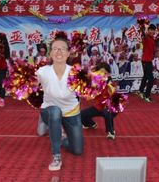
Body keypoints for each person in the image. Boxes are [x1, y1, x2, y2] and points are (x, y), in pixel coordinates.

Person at [36, 35, 83, 171]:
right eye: (55, 49)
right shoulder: (42, 71)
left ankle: (60, 137)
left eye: (62, 49)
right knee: (55, 111)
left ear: (68, 53)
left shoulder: (75, 72)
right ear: (50, 53)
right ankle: (56, 156)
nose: (59, 52)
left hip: (71, 112)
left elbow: (86, 90)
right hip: (50, 110)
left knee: (77, 150)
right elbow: (30, 83)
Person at [81, 62, 118, 140]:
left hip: (108, 107)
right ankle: (91, 124)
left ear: (108, 73)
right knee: (81, 115)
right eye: (100, 72)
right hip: (97, 107)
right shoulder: (96, 81)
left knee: (107, 114)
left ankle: (111, 132)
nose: (102, 74)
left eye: (104, 72)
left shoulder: (110, 82)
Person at [139, 24, 157, 102]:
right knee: (151, 79)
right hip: (146, 61)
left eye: (153, 30)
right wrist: (142, 27)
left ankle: (140, 91)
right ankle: (147, 95)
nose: (151, 31)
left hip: (148, 60)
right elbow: (143, 33)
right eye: (150, 29)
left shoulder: (153, 39)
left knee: (146, 77)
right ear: (148, 30)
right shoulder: (146, 37)